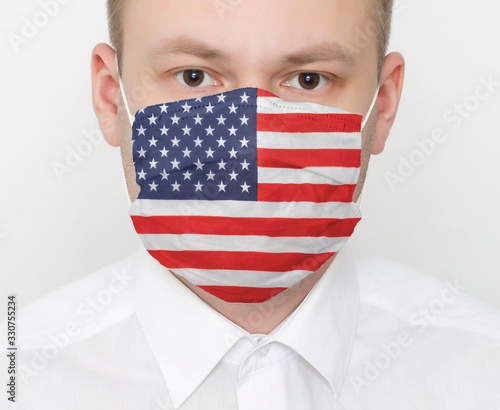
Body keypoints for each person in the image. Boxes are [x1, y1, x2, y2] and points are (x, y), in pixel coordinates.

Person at [2, 0, 500, 409]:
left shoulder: (483, 371)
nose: (249, 137)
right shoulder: (19, 379)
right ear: (112, 100)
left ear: (384, 105)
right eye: (193, 76)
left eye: (309, 79)